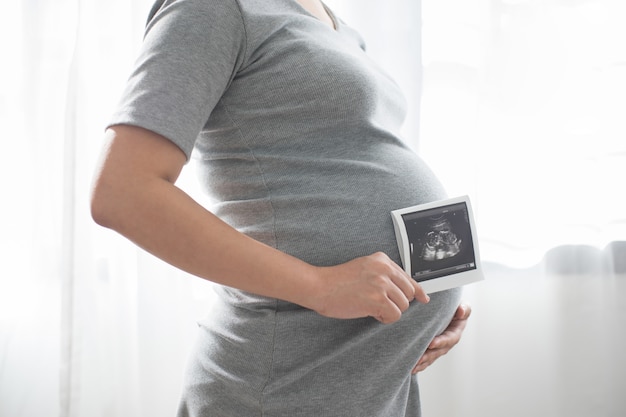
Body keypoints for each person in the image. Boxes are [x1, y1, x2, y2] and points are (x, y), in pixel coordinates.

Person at [90, 0, 472, 415]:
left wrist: (436, 305)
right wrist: (320, 285)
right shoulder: (215, 8)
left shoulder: (334, 23)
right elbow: (122, 191)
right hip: (285, 383)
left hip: (369, 378)